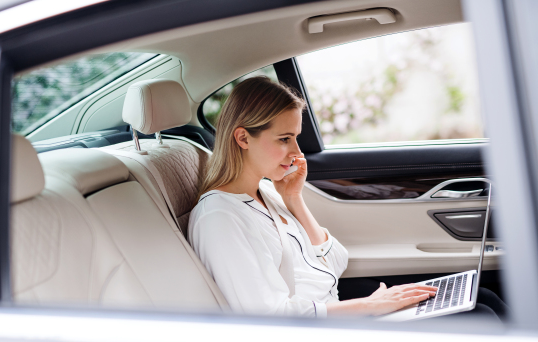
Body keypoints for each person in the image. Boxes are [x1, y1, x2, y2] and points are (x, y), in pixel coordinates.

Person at [188, 76, 506, 320]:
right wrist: (370, 306)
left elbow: (336, 261)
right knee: (480, 316)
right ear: (243, 137)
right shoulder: (221, 218)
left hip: (341, 314)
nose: (296, 153)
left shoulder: (267, 193)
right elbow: (271, 317)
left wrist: (295, 200)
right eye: (284, 139)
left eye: (295, 138)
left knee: (483, 296)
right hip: (326, 338)